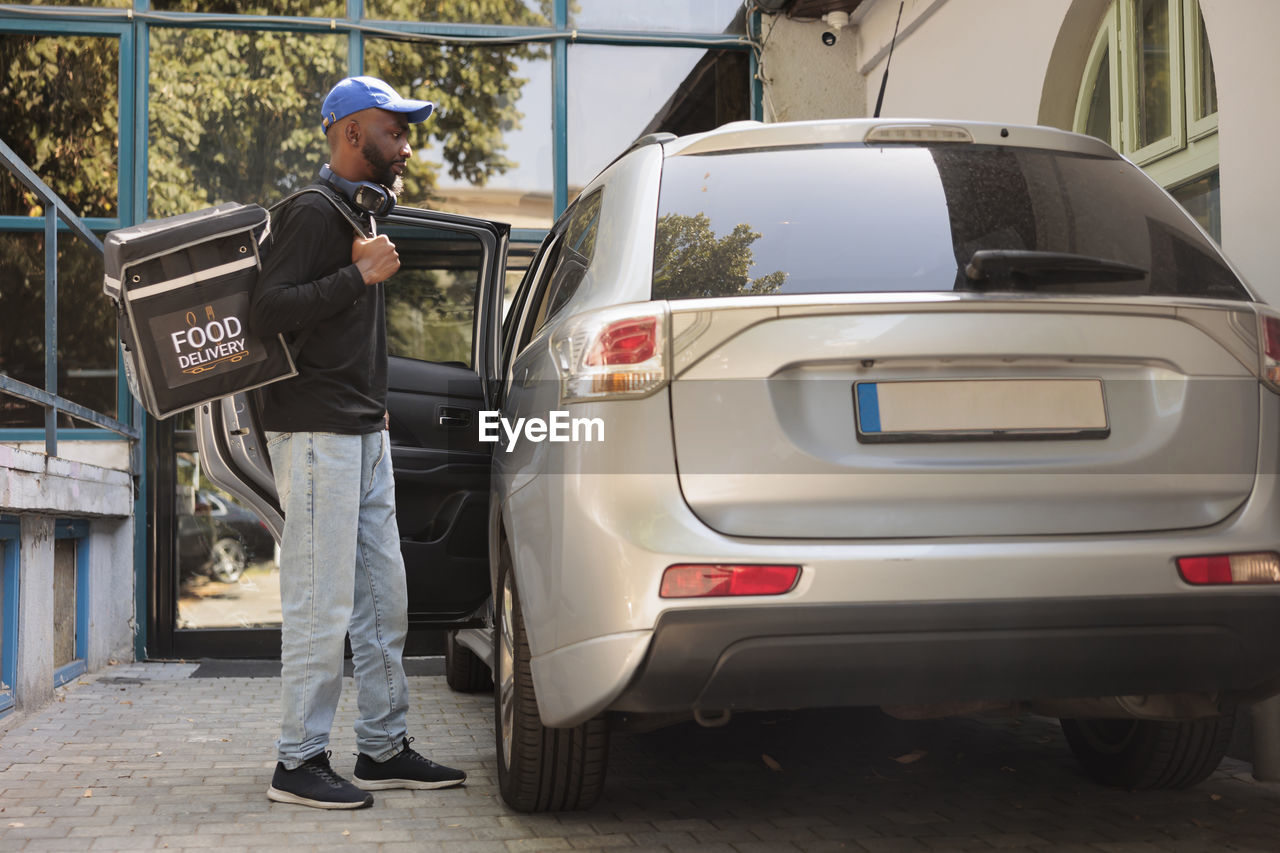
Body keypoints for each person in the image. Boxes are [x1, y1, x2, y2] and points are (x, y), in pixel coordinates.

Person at [249, 76, 466, 810]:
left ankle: (382, 746)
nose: (405, 145)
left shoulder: (354, 210)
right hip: (314, 432)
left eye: (407, 131)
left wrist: (375, 413)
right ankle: (298, 759)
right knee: (321, 600)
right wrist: (356, 273)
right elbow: (265, 314)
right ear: (350, 133)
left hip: (359, 431)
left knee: (383, 600)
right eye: (394, 130)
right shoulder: (311, 212)